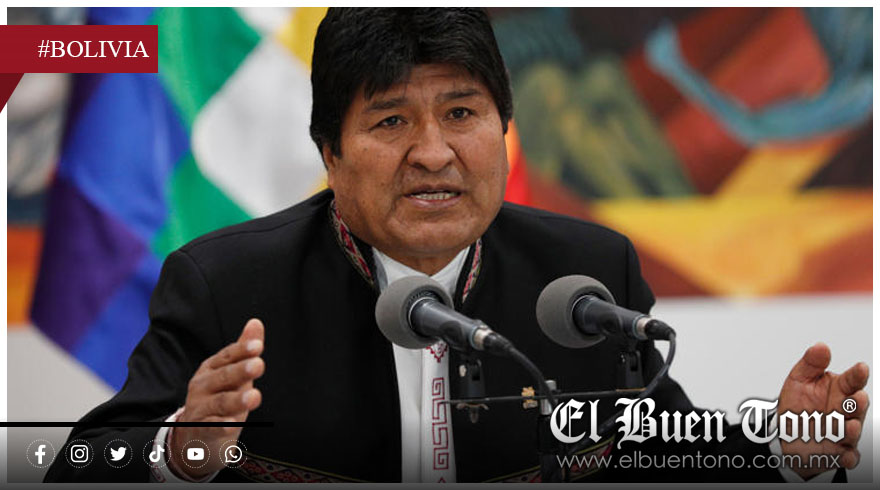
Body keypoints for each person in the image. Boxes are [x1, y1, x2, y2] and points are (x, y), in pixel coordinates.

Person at [45, 7, 869, 483]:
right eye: (391, 120)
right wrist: (180, 451)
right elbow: (75, 465)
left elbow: (662, 452)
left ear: (505, 131)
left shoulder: (583, 278)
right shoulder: (227, 284)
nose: (434, 153)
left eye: (463, 114)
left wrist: (781, 449)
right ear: (330, 153)